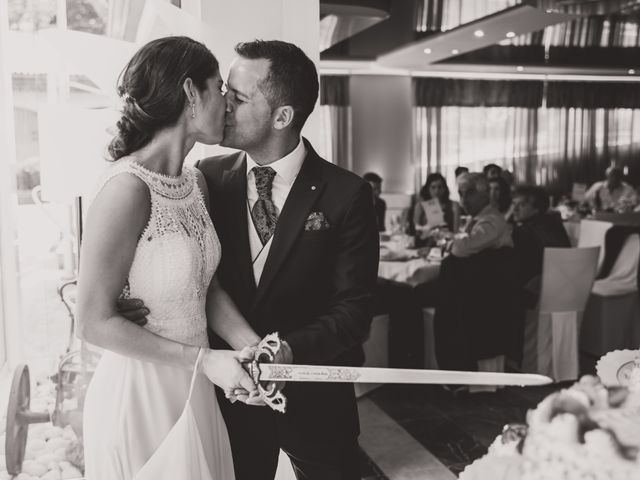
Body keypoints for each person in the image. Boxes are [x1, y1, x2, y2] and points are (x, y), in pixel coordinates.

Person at [123, 40, 379, 479]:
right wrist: (131, 295)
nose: (223, 104)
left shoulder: (347, 195)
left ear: (283, 117)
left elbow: (353, 312)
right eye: (224, 91)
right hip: (227, 399)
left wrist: (287, 351)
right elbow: (186, 274)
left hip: (317, 405)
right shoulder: (205, 179)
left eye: (238, 98)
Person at [78, 37, 264, 479]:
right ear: (189, 94)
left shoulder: (194, 183)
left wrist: (250, 347)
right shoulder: (126, 188)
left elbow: (207, 287)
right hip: (140, 395)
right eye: (220, 88)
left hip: (196, 387)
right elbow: (91, 322)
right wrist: (204, 361)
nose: (228, 103)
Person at [511, 185, 570, 306]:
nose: (514, 209)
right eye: (514, 204)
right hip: (564, 287)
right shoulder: (554, 224)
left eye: (521, 205)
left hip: (537, 293)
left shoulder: (524, 231)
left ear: (536, 208)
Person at [450, 172, 513, 257]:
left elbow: (460, 249)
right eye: (461, 194)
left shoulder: (492, 220)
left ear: (486, 194)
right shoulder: (475, 218)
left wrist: (447, 243)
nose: (463, 200)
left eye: (470, 193)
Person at [413, 172, 461, 238]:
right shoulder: (420, 206)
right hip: (426, 242)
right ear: (428, 189)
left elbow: (456, 232)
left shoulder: (454, 205)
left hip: (448, 241)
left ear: (444, 189)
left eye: (440, 187)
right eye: (433, 187)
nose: (436, 191)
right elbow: (417, 231)